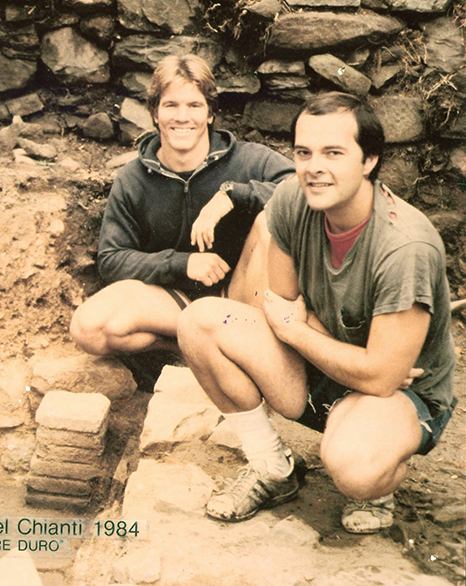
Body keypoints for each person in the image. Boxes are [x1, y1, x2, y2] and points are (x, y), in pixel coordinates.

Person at [176, 92, 457, 533]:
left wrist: (301, 333)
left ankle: (377, 474)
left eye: (333, 153)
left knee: (353, 468)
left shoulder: (406, 248)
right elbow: (280, 307)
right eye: (303, 153)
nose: (313, 167)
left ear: (369, 160)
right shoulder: (292, 199)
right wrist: (316, 339)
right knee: (201, 321)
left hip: (399, 396)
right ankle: (272, 467)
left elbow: (382, 377)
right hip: (332, 368)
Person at [69, 54, 295, 389]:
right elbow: (112, 258)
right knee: (88, 328)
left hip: (242, 299)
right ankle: (190, 349)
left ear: (210, 113)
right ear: (155, 113)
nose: (182, 117)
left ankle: (251, 352)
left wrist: (232, 195)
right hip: (178, 304)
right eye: (171, 105)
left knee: (271, 219)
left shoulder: (250, 160)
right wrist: (182, 264)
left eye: (194, 105)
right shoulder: (133, 178)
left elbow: (303, 190)